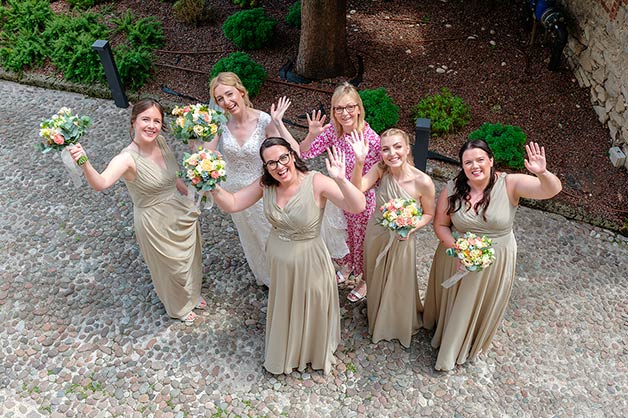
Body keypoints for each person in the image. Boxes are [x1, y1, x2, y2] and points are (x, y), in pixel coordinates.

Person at [209, 137, 366, 374]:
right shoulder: (266, 184)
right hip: (279, 259)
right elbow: (232, 203)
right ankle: (287, 350)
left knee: (311, 304)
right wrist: (211, 184)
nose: (279, 167)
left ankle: (311, 351)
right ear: (266, 167)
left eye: (283, 158)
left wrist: (342, 179)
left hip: (310, 258)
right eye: (271, 163)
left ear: (292, 155)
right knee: (286, 304)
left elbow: (357, 206)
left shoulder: (316, 182)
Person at [423, 139, 562, 371]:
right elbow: (440, 225)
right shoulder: (452, 189)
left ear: (491, 160)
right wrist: (459, 251)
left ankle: (465, 341)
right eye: (468, 162)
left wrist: (543, 172)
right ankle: (445, 331)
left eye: (480, 160)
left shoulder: (510, 184)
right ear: (462, 165)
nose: (474, 166)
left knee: (477, 301)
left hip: (496, 260)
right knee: (456, 300)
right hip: (457, 255)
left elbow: (552, 190)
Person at [68, 99, 205, 324]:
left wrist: (188, 195)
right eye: (145, 120)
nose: (151, 126)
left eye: (157, 121)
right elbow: (101, 183)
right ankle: (178, 306)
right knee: (171, 267)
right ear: (133, 122)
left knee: (190, 258)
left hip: (179, 210)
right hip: (154, 220)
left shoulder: (161, 142)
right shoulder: (126, 159)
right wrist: (84, 162)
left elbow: (174, 175)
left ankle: (192, 293)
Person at [206, 72, 299, 287]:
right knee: (248, 234)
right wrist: (204, 155)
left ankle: (287, 277)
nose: (226, 102)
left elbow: (288, 152)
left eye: (229, 94)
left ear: (241, 91)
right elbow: (207, 153)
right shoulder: (220, 124)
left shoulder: (263, 120)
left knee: (271, 234)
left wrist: (278, 123)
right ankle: (267, 277)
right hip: (233, 191)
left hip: (262, 189)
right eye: (220, 99)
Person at [349, 128, 435, 347]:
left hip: (403, 238)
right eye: (385, 149)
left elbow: (429, 214)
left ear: (407, 149)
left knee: (399, 279)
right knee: (375, 275)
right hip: (377, 233)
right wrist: (359, 162)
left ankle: (397, 322)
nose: (392, 153)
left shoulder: (422, 181)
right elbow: (357, 188)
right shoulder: (380, 170)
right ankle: (377, 313)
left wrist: (410, 227)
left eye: (397, 147)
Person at [300, 82, 381, 302]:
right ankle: (347, 266)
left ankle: (364, 280)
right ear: (333, 111)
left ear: (358, 108)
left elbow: (370, 181)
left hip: (362, 199)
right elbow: (304, 154)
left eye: (349, 107)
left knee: (362, 240)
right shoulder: (333, 133)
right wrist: (311, 135)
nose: (344, 113)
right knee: (343, 235)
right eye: (338, 108)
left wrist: (358, 163)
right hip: (338, 197)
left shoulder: (371, 140)